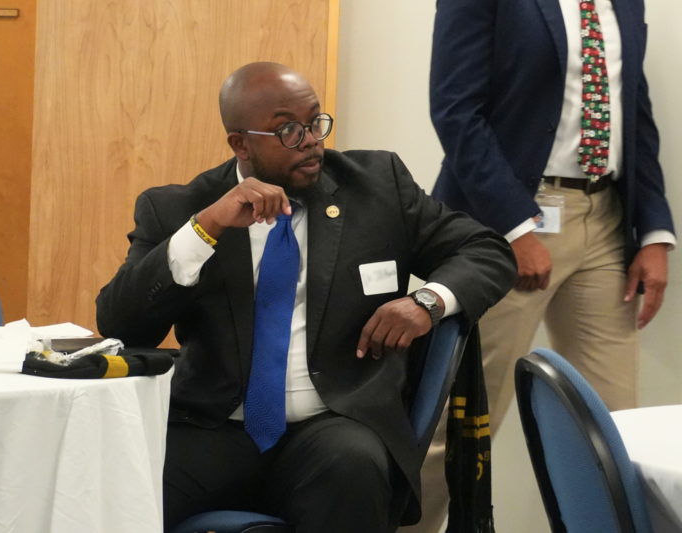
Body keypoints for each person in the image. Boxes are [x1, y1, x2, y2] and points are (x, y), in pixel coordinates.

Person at [96, 62, 516, 533]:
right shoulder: (178, 208)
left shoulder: (377, 185)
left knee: (353, 467)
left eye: (316, 122)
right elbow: (120, 324)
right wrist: (204, 230)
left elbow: (487, 250)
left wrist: (428, 302)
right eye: (288, 131)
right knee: (108, 490)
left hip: (333, 423)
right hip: (214, 427)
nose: (312, 140)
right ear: (241, 143)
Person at [415, 0, 677, 531]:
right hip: (509, 221)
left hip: (605, 221)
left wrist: (653, 232)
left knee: (614, 427)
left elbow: (634, 112)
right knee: (458, 425)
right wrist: (514, 225)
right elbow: (455, 109)